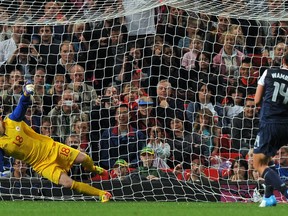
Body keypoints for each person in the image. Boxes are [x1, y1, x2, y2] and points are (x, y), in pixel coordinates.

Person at [0, 81, 111, 202]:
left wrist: (26, 93)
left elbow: (22, 105)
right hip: (41, 165)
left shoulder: (12, 120)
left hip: (52, 148)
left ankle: (94, 169)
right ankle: (102, 194)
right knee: (68, 183)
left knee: (84, 159)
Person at [253, 53, 288, 207]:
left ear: (283, 61)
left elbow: (256, 100)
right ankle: (268, 197)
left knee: (258, 164)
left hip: (270, 122)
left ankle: (285, 192)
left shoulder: (269, 72)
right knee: (268, 159)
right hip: (286, 124)